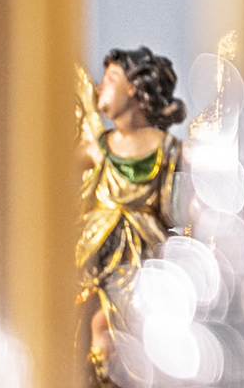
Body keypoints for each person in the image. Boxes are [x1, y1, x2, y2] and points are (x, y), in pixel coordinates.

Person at [76, 47, 186, 386]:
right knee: (88, 321)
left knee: (137, 331)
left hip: (144, 261)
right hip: (94, 255)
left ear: (133, 89)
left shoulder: (169, 150)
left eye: (110, 79)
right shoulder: (98, 148)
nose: (99, 88)